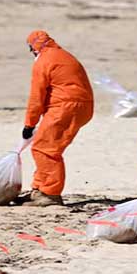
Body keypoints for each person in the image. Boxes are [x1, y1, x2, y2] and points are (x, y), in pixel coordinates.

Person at [21, 30, 94, 207]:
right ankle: (39, 188)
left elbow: (36, 97)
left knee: (45, 148)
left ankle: (49, 194)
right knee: (43, 144)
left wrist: (29, 124)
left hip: (66, 107)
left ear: (34, 47)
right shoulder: (63, 55)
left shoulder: (44, 61)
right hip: (80, 106)